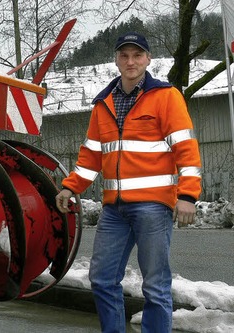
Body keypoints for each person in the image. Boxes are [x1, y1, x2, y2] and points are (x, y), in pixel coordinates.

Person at [55, 31, 202, 333]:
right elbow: (91, 156)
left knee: (155, 287)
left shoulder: (166, 97)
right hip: (114, 211)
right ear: (116, 60)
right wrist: (71, 185)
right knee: (102, 279)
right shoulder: (103, 104)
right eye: (124, 55)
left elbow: (186, 150)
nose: (130, 61)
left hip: (153, 206)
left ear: (148, 59)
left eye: (137, 55)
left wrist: (188, 195)